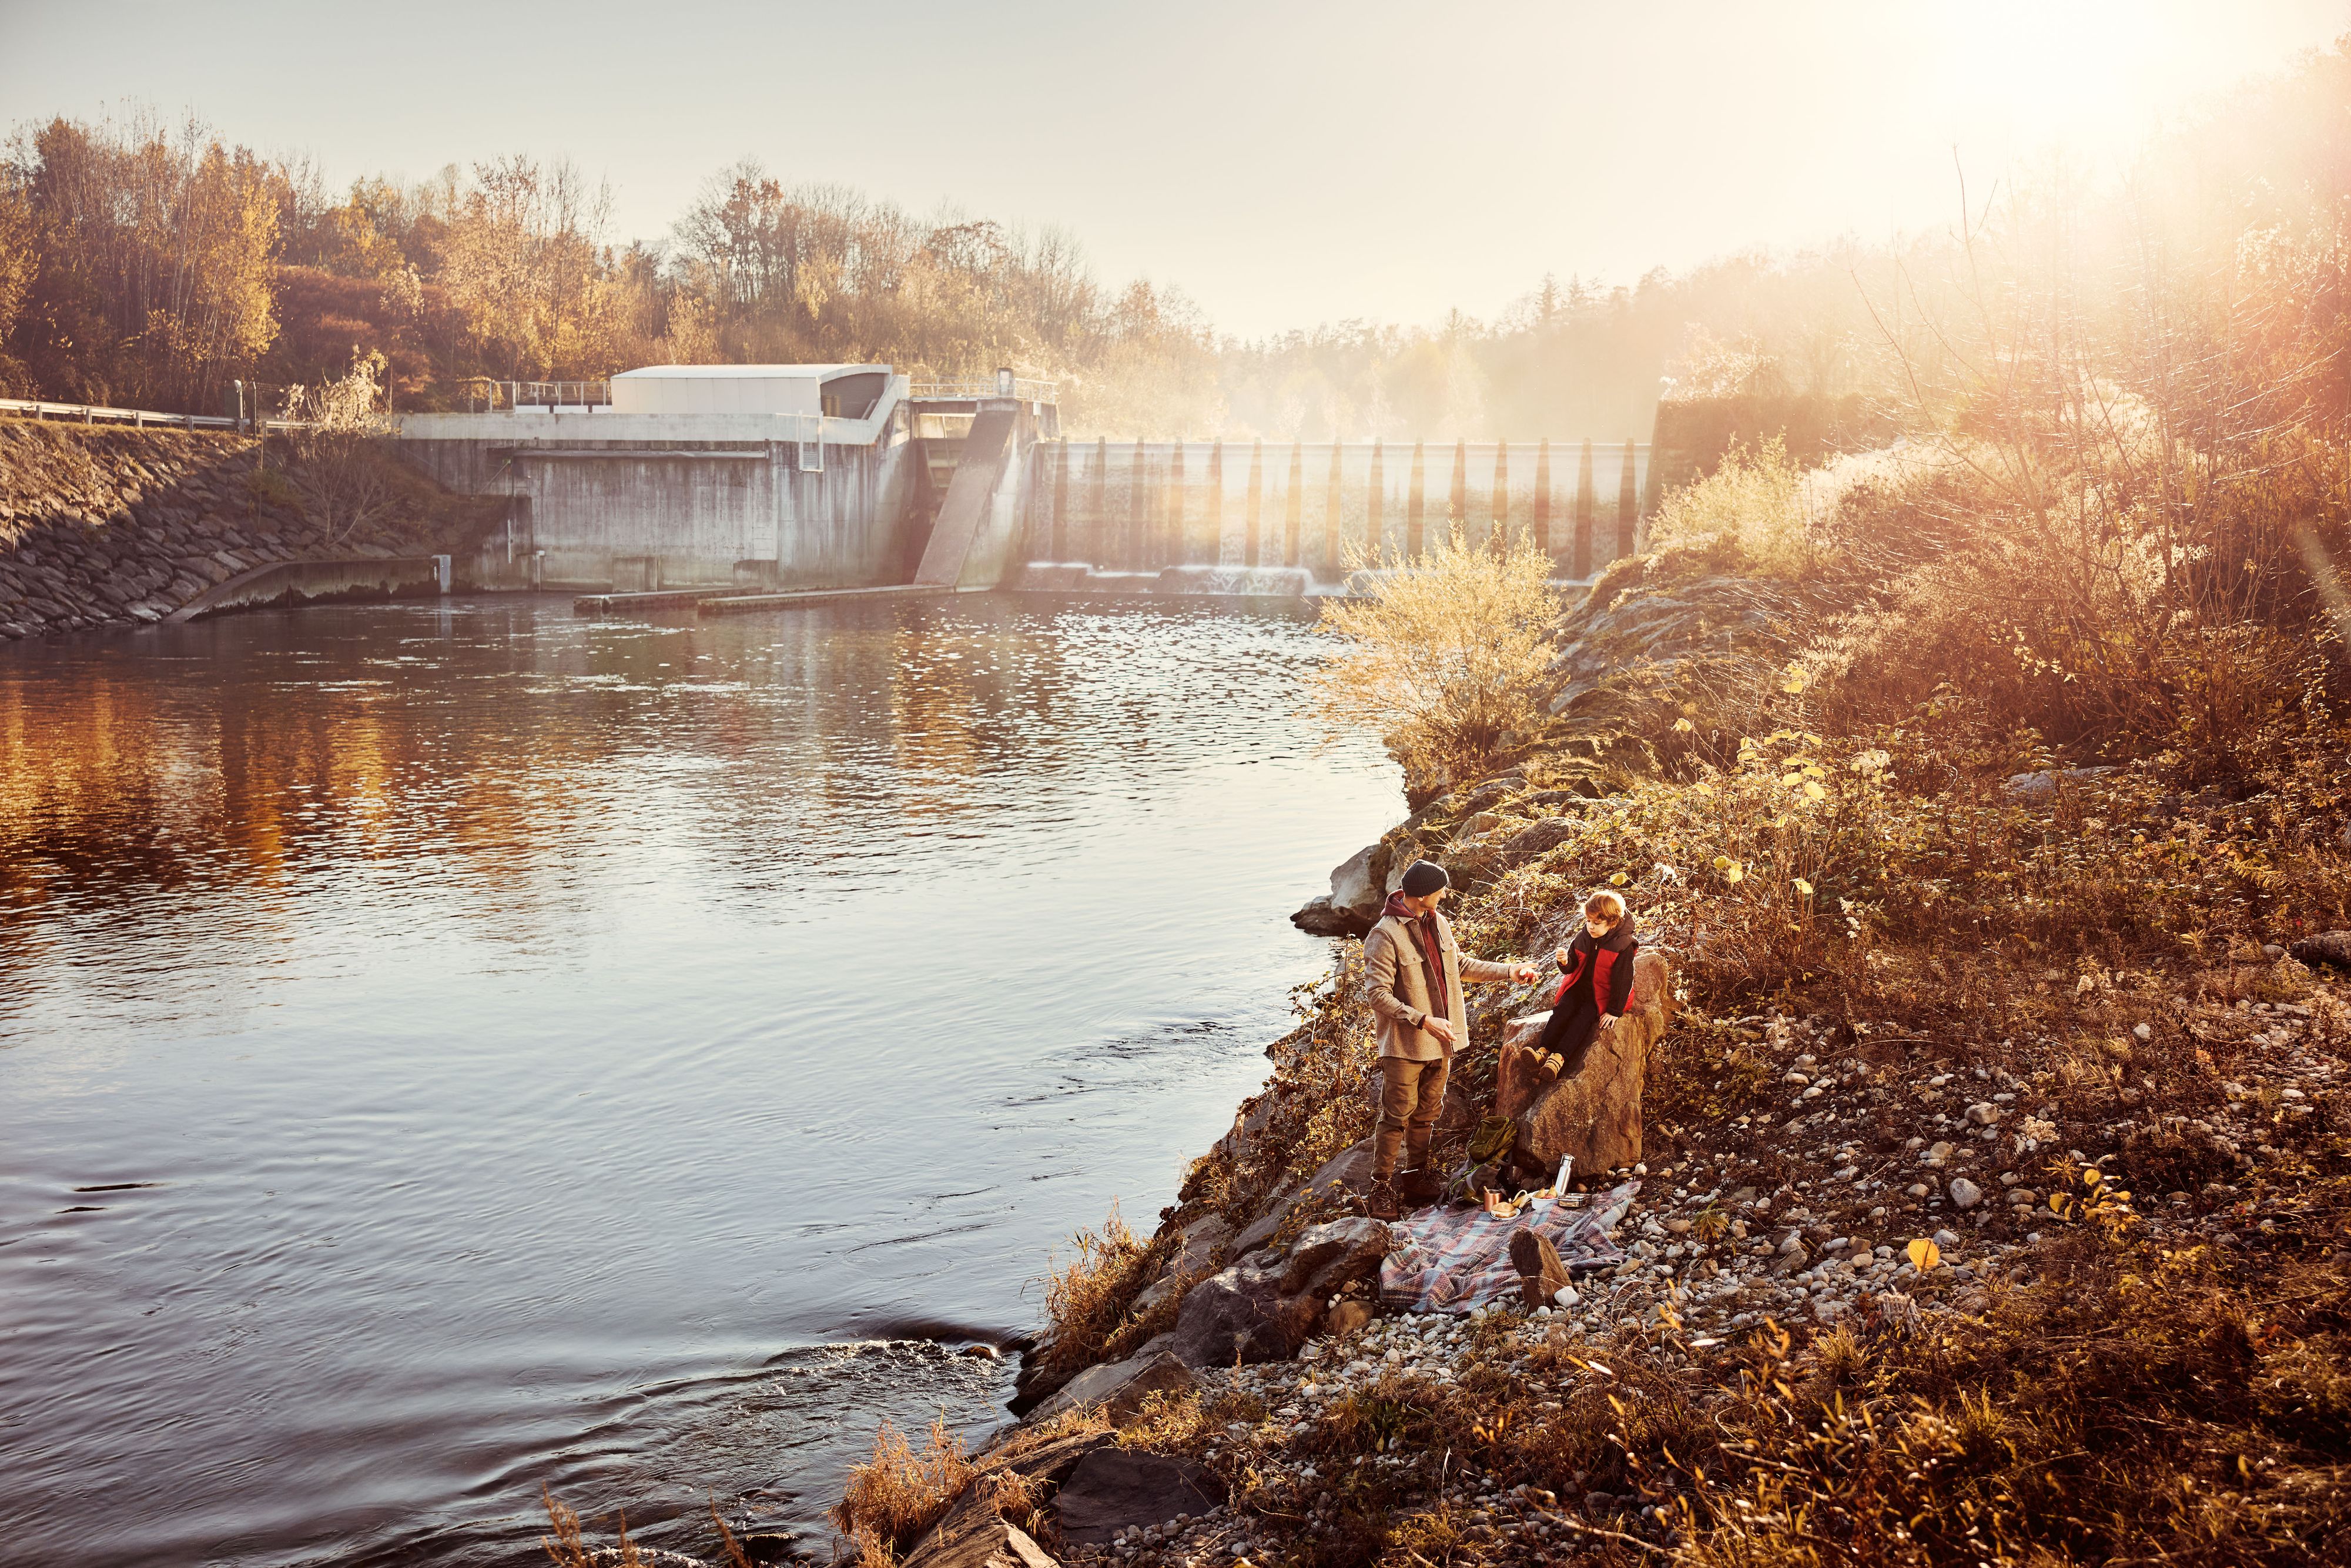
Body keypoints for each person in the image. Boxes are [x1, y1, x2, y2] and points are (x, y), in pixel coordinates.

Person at [1362, 859, 1541, 1219]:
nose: (1445, 895)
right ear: (1425, 894)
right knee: (1396, 1117)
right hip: (1405, 1045)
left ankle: (1415, 1177)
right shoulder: (1384, 935)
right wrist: (1423, 1020)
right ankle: (1381, 1186)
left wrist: (1511, 972)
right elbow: (1376, 994)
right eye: (1440, 890)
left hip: (1442, 1042)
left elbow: (1459, 967)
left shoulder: (1439, 922)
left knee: (1427, 1114)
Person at [1533, 889, 1640, 1078]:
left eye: (1596, 923)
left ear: (1612, 923)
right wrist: (1565, 961)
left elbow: (1624, 980)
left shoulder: (1622, 945)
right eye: (1588, 921)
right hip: (1578, 988)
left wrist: (1615, 1010)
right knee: (1562, 1011)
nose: (1590, 927)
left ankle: (1558, 1058)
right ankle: (1542, 1051)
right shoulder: (1584, 937)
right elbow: (1571, 967)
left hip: (1600, 996)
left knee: (1582, 1020)